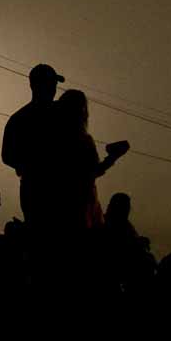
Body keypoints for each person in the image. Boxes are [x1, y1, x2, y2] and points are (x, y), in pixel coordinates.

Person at [48, 89, 128, 233]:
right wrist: (113, 157)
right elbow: (92, 172)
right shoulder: (83, 140)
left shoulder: (49, 137)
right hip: (80, 206)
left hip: (53, 205)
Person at [2, 64, 63, 230]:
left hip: (47, 189)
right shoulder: (58, 115)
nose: (54, 89)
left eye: (54, 85)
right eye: (50, 84)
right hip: (41, 190)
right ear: (36, 85)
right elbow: (7, 156)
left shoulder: (20, 118)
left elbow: (7, 157)